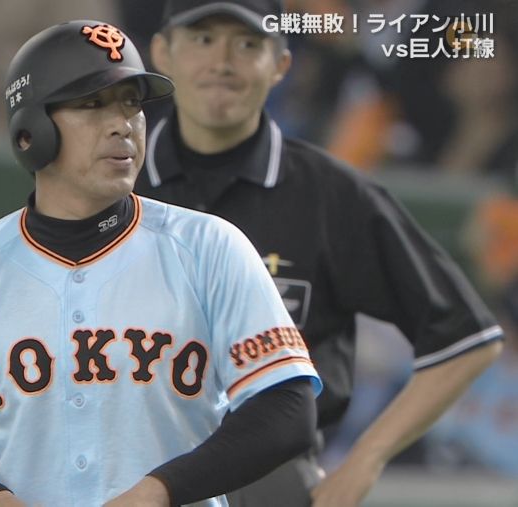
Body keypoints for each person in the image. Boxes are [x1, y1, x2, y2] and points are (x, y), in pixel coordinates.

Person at [0, 20, 322, 506]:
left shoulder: (210, 247)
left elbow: (288, 408)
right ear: (31, 131)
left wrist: (161, 490)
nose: (122, 123)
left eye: (131, 103)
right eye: (92, 104)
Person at [135, 1, 504, 506]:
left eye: (247, 44)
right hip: (128, 466)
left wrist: (365, 460)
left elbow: (467, 337)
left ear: (281, 63)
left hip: (268, 479)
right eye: (202, 39)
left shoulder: (330, 194)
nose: (222, 62)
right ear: (162, 53)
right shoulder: (115, 182)